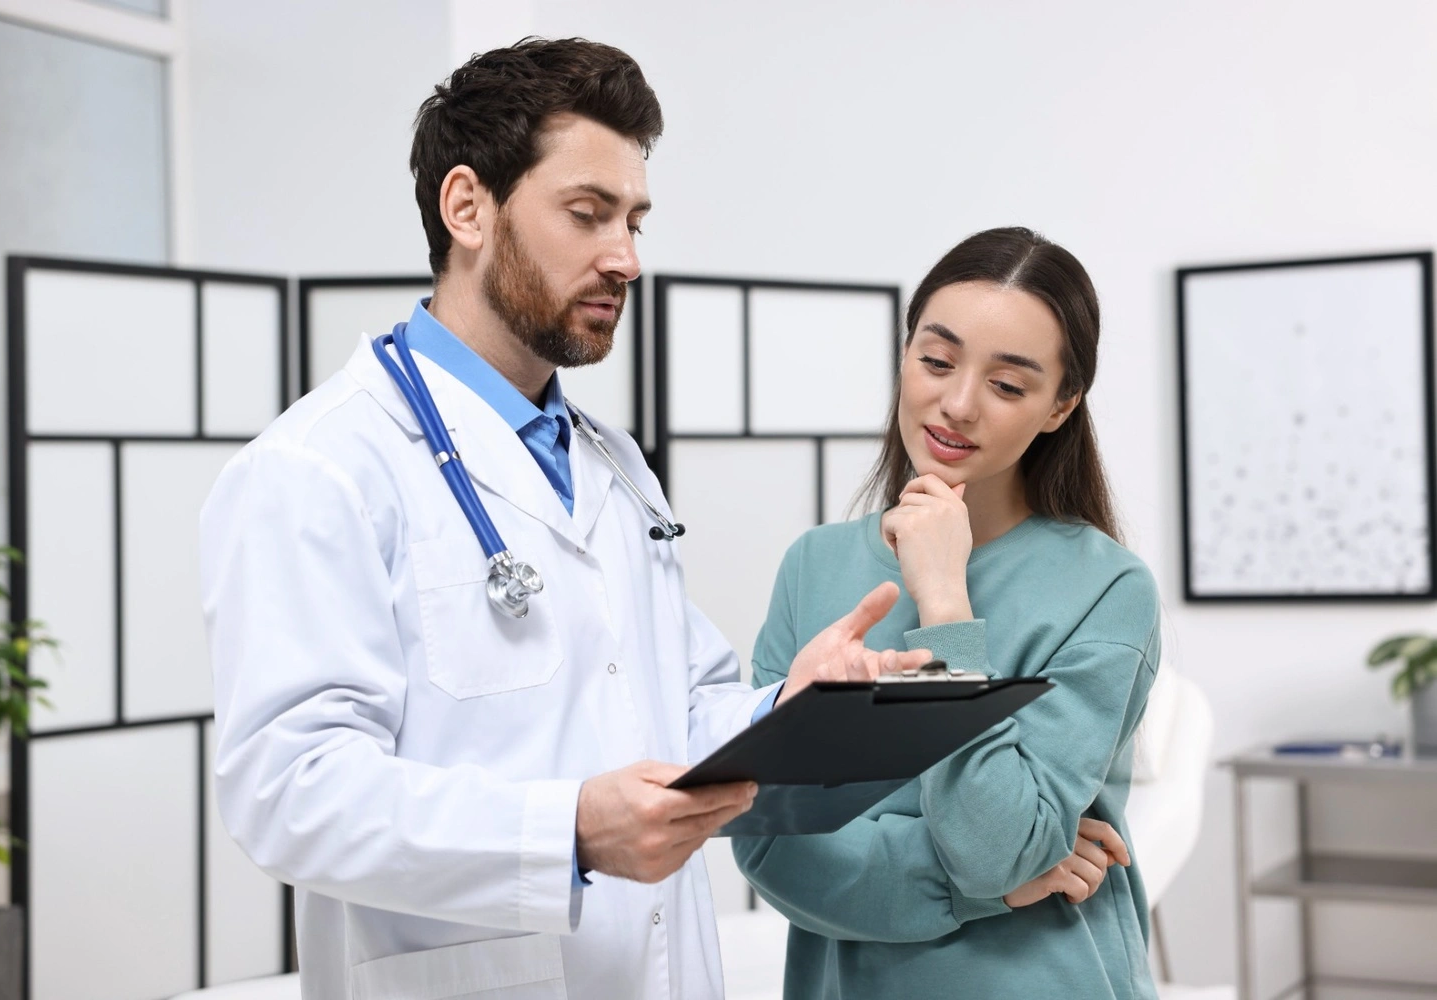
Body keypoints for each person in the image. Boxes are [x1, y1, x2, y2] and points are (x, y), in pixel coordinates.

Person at [198, 38, 938, 1000]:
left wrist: (787, 713)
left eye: (634, 219)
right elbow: (289, 793)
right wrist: (568, 832)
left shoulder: (612, 463)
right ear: (466, 207)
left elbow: (670, 708)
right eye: (587, 214)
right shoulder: (319, 469)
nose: (625, 257)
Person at [733, 227, 1161, 999]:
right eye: (936, 361)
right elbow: (769, 847)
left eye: (1007, 384)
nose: (956, 404)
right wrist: (976, 890)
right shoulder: (815, 567)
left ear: (1061, 406)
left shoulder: (1108, 588)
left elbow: (998, 846)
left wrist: (944, 603)